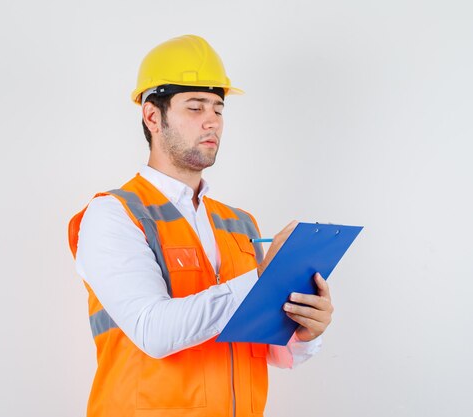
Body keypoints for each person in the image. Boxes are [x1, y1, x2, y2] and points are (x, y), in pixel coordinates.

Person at [68, 34, 334, 417]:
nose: (212, 121)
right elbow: (153, 332)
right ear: (152, 116)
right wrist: (261, 278)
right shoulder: (113, 215)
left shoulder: (239, 223)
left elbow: (260, 343)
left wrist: (303, 330)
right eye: (195, 107)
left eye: (219, 109)